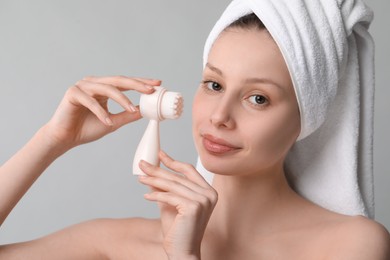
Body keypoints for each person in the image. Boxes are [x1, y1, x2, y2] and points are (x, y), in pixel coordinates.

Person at [1, 1, 390, 259]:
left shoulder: (349, 247)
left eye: (258, 98)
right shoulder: (116, 244)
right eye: (214, 85)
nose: (220, 116)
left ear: (307, 118)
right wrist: (52, 140)